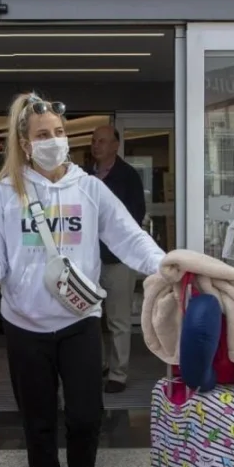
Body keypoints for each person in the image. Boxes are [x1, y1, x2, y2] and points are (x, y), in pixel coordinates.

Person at [0, 93, 165, 467]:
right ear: (25, 144)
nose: (54, 141)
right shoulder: (6, 192)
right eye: (43, 135)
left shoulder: (89, 188)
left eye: (59, 132)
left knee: (86, 419)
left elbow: (129, 237)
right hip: (25, 325)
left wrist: (165, 265)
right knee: (38, 425)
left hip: (80, 321)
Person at [86, 124, 146, 394]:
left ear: (115, 145)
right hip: (89, 260)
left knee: (118, 320)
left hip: (118, 260)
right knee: (90, 317)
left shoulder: (128, 176)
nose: (96, 146)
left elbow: (135, 217)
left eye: (102, 141)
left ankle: (118, 374)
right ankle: (98, 364)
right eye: (94, 141)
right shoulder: (85, 175)